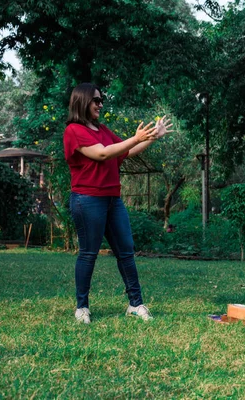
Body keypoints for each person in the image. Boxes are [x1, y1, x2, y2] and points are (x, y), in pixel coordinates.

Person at [63, 83, 173, 324]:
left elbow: (125, 151)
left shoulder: (102, 129)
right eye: (96, 100)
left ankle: (135, 304)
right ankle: (82, 307)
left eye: (101, 100)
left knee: (126, 252)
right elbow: (102, 153)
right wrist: (135, 137)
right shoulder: (74, 130)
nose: (100, 104)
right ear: (82, 102)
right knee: (88, 253)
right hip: (87, 199)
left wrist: (154, 137)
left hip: (113, 199)